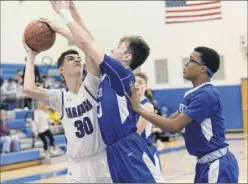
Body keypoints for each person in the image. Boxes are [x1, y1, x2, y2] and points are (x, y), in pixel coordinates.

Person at [47, 1, 164, 182]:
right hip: (113, 151)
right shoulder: (108, 74)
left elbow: (86, 43)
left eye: (119, 46)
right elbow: (89, 43)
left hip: (129, 145)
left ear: (126, 57)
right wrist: (74, 12)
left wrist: (63, 16)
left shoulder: (121, 73)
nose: (112, 48)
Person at [23, 1, 111, 183]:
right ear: (61, 70)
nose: (77, 60)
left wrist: (72, 15)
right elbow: (29, 89)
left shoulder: (92, 85)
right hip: (77, 167)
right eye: (71, 59)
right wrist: (31, 55)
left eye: (78, 58)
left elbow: (88, 44)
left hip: (102, 161)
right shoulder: (60, 98)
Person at [126, 46, 239, 183]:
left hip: (218, 165)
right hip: (204, 163)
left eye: (191, 60)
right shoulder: (193, 94)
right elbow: (168, 124)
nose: (186, 63)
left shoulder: (206, 95)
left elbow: (173, 126)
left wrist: (140, 108)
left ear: (203, 68)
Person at [134, 72, 161, 172]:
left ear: (146, 86)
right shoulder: (129, 104)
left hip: (146, 150)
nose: (136, 85)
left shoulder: (147, 106)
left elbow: (137, 132)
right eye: (134, 82)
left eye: (140, 82)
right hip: (134, 149)